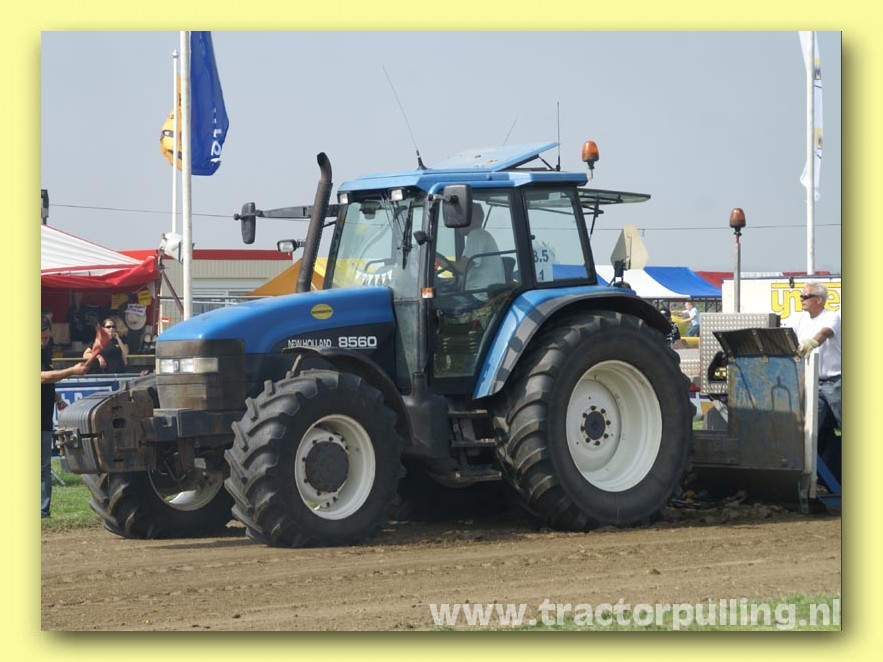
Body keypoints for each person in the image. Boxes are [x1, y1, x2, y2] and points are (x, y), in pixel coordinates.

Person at [789, 283, 842, 482]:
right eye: (801, 296)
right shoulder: (799, 319)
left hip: (836, 383)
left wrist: (812, 342)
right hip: (813, 384)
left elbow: (825, 333)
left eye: (805, 296)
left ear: (819, 299)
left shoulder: (832, 317)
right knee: (810, 432)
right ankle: (814, 478)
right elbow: (786, 335)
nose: (801, 300)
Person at [41, 316, 87, 518]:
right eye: (41, 338)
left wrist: (57, 398)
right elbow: (42, 377)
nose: (44, 342)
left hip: (43, 418)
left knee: (43, 466)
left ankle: (42, 511)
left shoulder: (44, 352)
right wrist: (72, 371)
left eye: (46, 337)